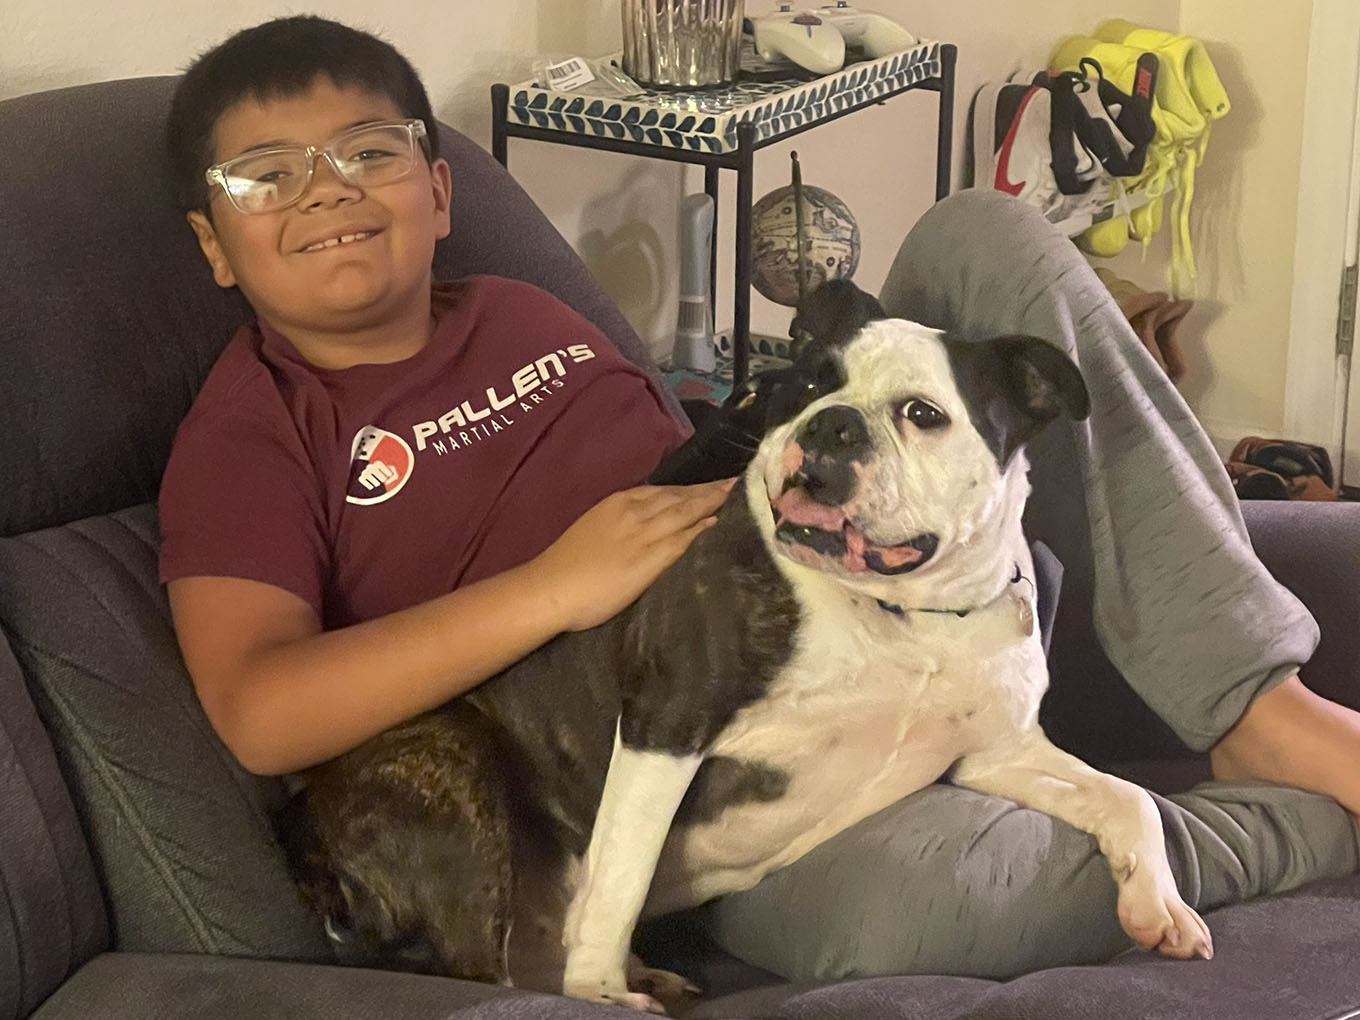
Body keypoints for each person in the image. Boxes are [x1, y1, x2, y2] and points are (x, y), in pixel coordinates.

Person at [159, 15, 1359, 984]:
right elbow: (263, 713)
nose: (324, 191)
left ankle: (1251, 699)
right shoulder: (253, 432)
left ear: (436, 187)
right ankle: (1279, 834)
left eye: (365, 152)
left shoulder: (517, 307)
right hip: (705, 766)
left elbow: (724, 446)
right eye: (264, 176)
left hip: (896, 572)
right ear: (215, 247)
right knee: (929, 907)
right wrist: (551, 591)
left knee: (981, 231)